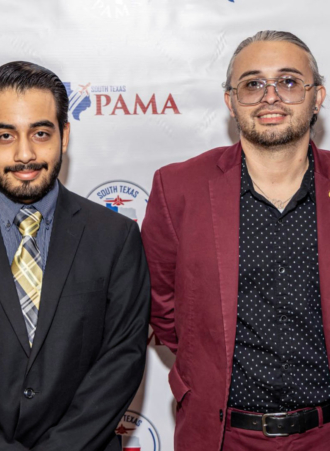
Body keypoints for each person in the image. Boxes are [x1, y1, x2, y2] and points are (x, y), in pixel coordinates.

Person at [141, 30, 330, 451]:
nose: (270, 96)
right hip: (223, 437)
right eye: (252, 84)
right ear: (231, 101)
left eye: (288, 81)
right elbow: (164, 308)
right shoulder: (179, 188)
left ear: (317, 96)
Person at [0, 61, 150, 450]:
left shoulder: (114, 236)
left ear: (64, 135)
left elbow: (121, 362)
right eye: (5, 135)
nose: (25, 154)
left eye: (40, 133)